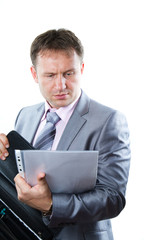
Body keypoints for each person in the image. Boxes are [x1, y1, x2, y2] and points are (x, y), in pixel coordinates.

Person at [0, 29, 131, 240]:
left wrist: (51, 205)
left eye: (69, 73)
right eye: (50, 75)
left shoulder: (110, 121)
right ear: (34, 74)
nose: (61, 85)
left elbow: (112, 198)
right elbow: (19, 178)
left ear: (82, 69)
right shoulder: (25, 115)